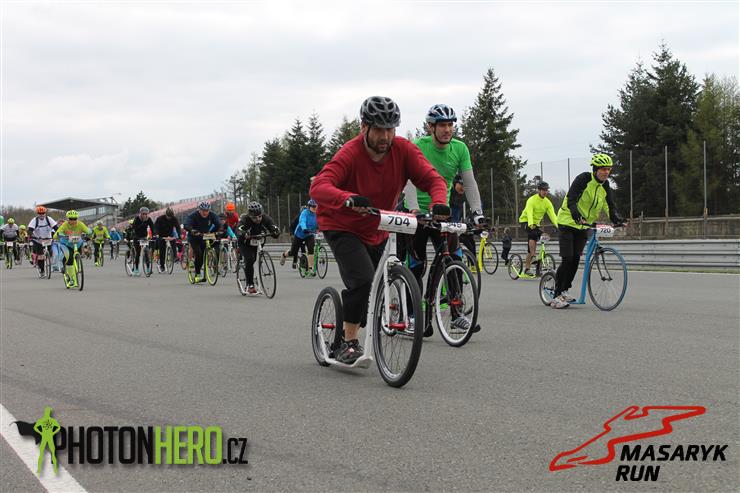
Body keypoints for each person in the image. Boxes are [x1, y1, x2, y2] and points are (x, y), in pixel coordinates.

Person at [310, 96, 448, 364]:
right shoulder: (350, 153)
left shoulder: (403, 150)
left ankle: (357, 318)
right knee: (362, 280)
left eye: (390, 129)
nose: (385, 136)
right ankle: (348, 343)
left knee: (370, 287)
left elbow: (433, 178)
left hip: (378, 225)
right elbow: (319, 186)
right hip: (341, 224)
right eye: (379, 129)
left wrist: (439, 202)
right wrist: (348, 198)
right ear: (364, 127)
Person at [404, 103, 485, 336]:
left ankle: (456, 315)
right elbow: (408, 180)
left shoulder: (460, 148)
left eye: (450, 125)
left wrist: (477, 212)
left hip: (441, 212)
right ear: (431, 127)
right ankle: (412, 316)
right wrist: (414, 209)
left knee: (454, 259)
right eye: (442, 125)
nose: (447, 129)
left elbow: (469, 183)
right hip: (417, 212)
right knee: (416, 265)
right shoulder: (418, 146)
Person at [551, 154, 625, 309]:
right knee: (568, 258)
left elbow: (609, 205)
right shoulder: (583, 179)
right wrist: (576, 215)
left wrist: (616, 219)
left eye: (608, 169)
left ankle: (564, 290)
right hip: (567, 221)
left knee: (576, 259)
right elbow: (571, 199)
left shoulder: (605, 186)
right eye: (603, 169)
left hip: (584, 225)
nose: (606, 172)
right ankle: (556, 295)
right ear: (595, 169)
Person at [236, 201, 279, 293]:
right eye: (255, 218)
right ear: (250, 216)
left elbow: (273, 226)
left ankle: (256, 268)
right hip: (245, 243)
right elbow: (239, 229)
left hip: (258, 240)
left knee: (255, 259)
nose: (258, 219)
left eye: (260, 216)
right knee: (249, 260)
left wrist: (275, 231)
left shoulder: (265, 218)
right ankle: (250, 284)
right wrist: (243, 234)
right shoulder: (245, 219)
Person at [518, 181, 558, 276]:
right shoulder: (531, 200)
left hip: (536, 224)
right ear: (539, 190)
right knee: (533, 234)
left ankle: (528, 269)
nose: (545, 192)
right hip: (525, 221)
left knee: (540, 239)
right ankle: (533, 257)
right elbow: (529, 213)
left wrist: (559, 226)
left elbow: (553, 216)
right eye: (543, 190)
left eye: (546, 190)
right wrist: (531, 224)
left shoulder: (547, 202)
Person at [183, 201, 221, 283]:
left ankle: (209, 263)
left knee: (211, 247)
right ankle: (197, 274)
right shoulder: (193, 215)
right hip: (194, 237)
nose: (205, 213)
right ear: (199, 210)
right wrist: (192, 230)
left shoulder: (212, 215)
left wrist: (216, 231)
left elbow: (218, 224)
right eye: (203, 210)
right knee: (199, 254)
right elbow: (186, 225)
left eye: (207, 211)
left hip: (205, 236)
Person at [53, 211, 91, 287]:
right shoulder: (64, 225)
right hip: (66, 245)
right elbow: (56, 234)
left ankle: (75, 263)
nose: (73, 221)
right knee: (69, 259)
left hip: (77, 244)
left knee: (78, 254)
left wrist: (89, 233)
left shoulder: (80, 224)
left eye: (75, 219)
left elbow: (88, 231)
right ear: (68, 219)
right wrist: (60, 235)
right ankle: (72, 279)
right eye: (71, 219)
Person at [281, 199, 318, 273]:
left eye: (315, 206)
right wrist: (304, 228)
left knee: (311, 249)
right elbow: (302, 221)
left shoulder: (317, 214)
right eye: (313, 207)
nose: (314, 208)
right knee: (293, 252)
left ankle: (311, 268)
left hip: (309, 234)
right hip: (300, 234)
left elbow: (321, 221)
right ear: (309, 207)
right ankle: (284, 255)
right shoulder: (304, 213)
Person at [28, 206, 58, 275]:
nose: (41, 215)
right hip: (38, 240)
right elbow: (30, 230)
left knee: (49, 253)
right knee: (41, 255)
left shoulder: (49, 219)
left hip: (48, 238)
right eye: (40, 213)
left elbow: (56, 227)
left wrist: (58, 234)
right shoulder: (34, 220)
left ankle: (48, 260)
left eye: (43, 213)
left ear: (45, 213)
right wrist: (32, 236)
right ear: (37, 214)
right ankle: (42, 270)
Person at [154, 208, 181, 272]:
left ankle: (175, 256)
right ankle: (162, 266)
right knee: (162, 251)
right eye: (168, 217)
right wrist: (157, 234)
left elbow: (178, 227)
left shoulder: (174, 218)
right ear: (166, 215)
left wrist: (178, 236)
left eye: (171, 217)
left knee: (173, 243)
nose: (170, 218)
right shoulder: (160, 218)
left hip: (169, 234)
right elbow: (156, 227)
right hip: (161, 235)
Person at [131, 207, 155, 276]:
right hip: (137, 236)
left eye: (146, 214)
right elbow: (134, 228)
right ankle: (136, 268)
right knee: (138, 253)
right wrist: (136, 237)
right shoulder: (137, 219)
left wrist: (154, 235)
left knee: (146, 252)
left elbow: (152, 228)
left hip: (144, 237)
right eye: (143, 214)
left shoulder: (149, 219)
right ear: (141, 214)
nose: (145, 215)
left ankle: (148, 268)